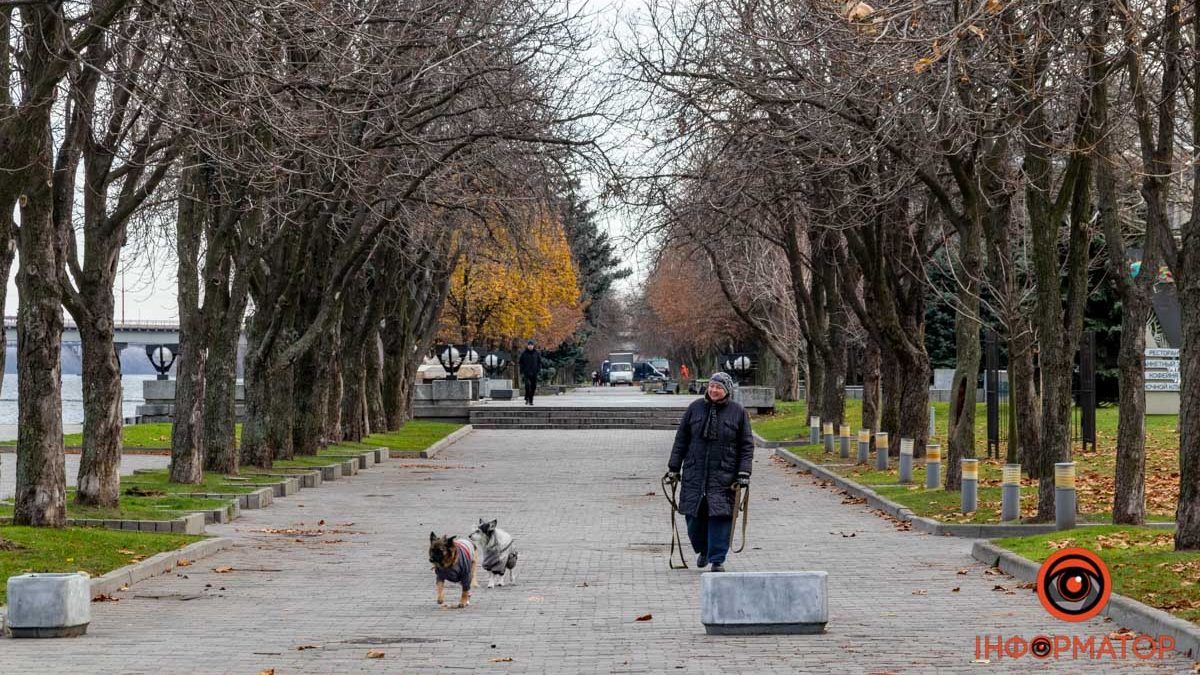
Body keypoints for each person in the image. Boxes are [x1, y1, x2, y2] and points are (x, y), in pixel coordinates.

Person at [665, 372, 752, 572]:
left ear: (727, 390)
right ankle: (703, 549)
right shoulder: (695, 408)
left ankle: (717, 559)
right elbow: (681, 440)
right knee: (693, 518)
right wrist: (673, 468)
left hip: (724, 475)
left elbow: (746, 445)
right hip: (694, 473)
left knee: (720, 517)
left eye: (718, 387)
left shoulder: (737, 412)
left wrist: (744, 472)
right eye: (712, 386)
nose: (713, 390)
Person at [518, 339, 542, 405]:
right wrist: (522, 370)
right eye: (529, 345)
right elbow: (520, 362)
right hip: (526, 373)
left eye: (531, 345)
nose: (530, 346)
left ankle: (530, 399)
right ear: (527, 346)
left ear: (533, 346)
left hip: (534, 373)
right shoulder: (524, 353)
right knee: (527, 386)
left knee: (533, 387)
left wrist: (538, 369)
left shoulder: (537, 353)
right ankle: (528, 398)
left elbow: (539, 362)